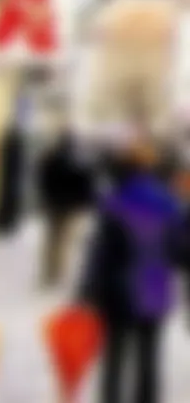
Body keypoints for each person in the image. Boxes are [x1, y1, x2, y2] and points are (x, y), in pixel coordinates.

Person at [79, 140, 183, 403]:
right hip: (155, 288)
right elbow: (181, 250)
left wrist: (86, 292)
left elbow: (100, 254)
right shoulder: (169, 202)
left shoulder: (115, 202)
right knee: (149, 359)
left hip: (118, 292)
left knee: (115, 357)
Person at [38, 128, 95, 288]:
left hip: (53, 204)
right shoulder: (79, 161)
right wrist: (84, 202)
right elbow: (85, 184)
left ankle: (49, 271)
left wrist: (46, 198)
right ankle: (58, 272)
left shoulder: (50, 158)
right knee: (64, 240)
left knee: (52, 239)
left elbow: (43, 180)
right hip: (69, 206)